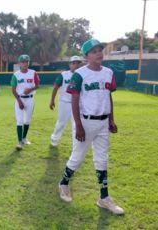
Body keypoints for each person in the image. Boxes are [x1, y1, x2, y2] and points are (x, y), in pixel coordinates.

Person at [58, 39, 124, 215]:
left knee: (102, 160)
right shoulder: (79, 74)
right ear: (86, 56)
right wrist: (78, 126)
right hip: (85, 122)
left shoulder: (108, 73)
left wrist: (111, 119)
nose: (98, 53)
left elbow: (108, 97)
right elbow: (74, 100)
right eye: (94, 51)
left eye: (100, 50)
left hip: (103, 122)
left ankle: (104, 198)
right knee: (77, 157)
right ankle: (64, 183)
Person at [49, 56, 83, 147]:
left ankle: (76, 143)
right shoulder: (64, 74)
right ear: (70, 65)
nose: (76, 65)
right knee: (61, 122)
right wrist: (52, 100)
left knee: (76, 124)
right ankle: (54, 138)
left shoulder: (83, 75)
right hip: (65, 103)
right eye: (74, 63)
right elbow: (56, 87)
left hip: (78, 104)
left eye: (78, 63)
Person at [10, 54, 40, 150]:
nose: (25, 63)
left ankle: (24, 138)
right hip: (20, 98)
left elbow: (37, 85)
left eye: (27, 61)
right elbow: (13, 90)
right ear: (19, 63)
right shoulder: (16, 75)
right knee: (19, 120)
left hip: (30, 99)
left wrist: (30, 90)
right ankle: (19, 142)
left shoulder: (33, 73)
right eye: (23, 62)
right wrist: (19, 101)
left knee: (27, 120)